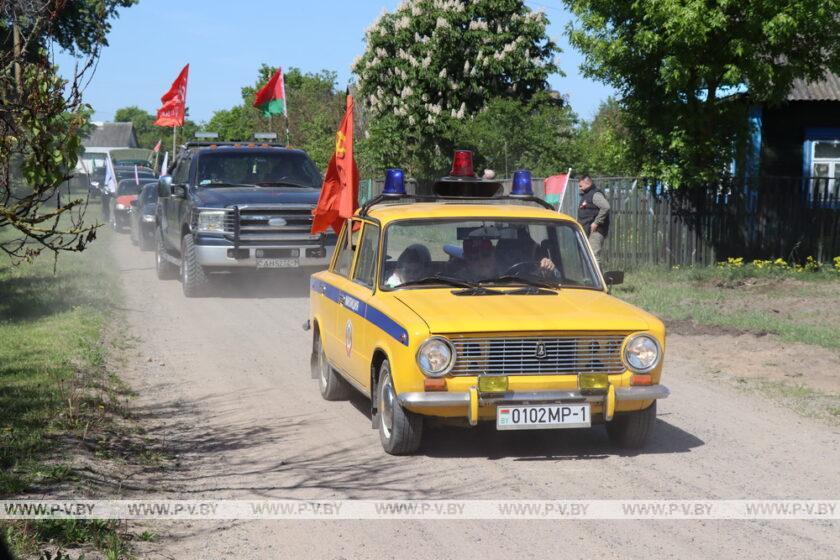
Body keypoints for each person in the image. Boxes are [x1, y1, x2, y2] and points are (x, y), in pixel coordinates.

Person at [577, 174, 610, 264]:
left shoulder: (595, 194)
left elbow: (606, 207)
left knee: (594, 257)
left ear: (587, 183)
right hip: (588, 230)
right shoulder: (587, 195)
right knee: (588, 257)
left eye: (581, 186)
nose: (580, 188)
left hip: (596, 231)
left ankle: (598, 278)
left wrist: (596, 222)